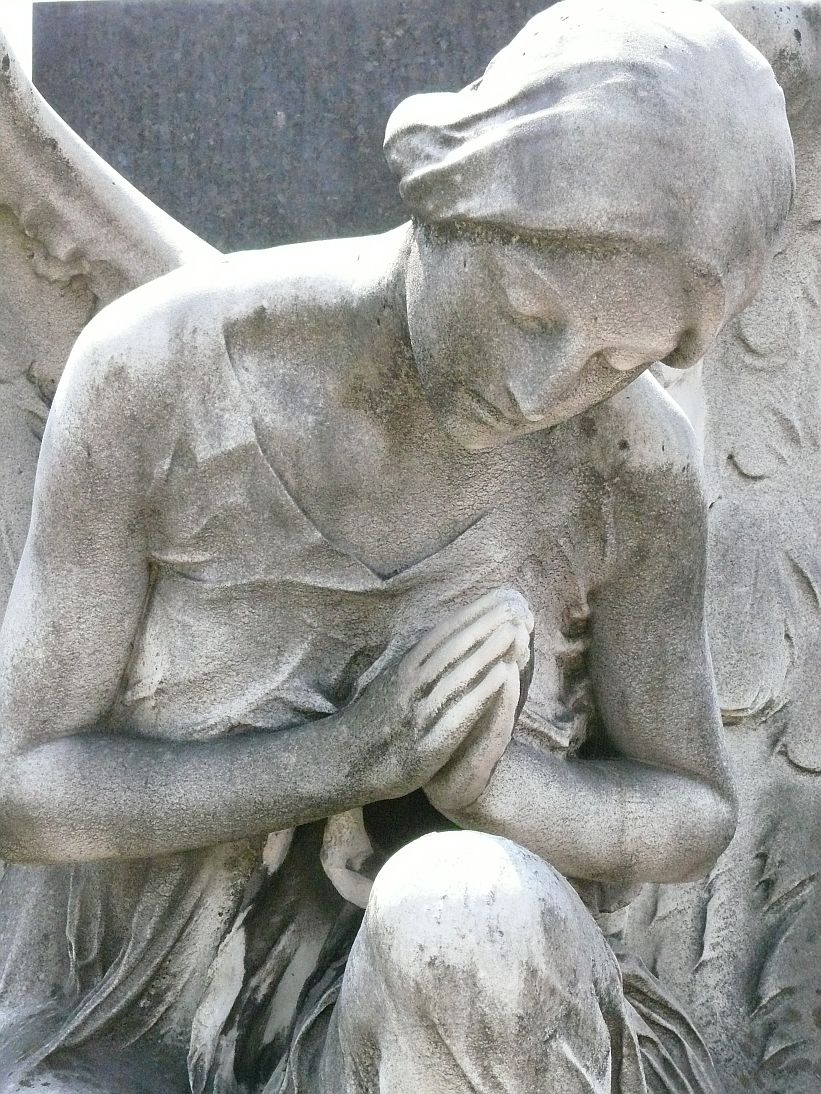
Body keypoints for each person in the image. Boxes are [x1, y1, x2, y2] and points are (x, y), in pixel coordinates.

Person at [0, 1, 794, 1091]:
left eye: (615, 360)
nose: (540, 389)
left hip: (488, 1011)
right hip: (149, 1022)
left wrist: (495, 789)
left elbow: (691, 806)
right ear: (449, 196)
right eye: (526, 310)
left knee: (462, 913)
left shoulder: (629, 464)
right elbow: (22, 785)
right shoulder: (157, 370)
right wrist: (347, 759)